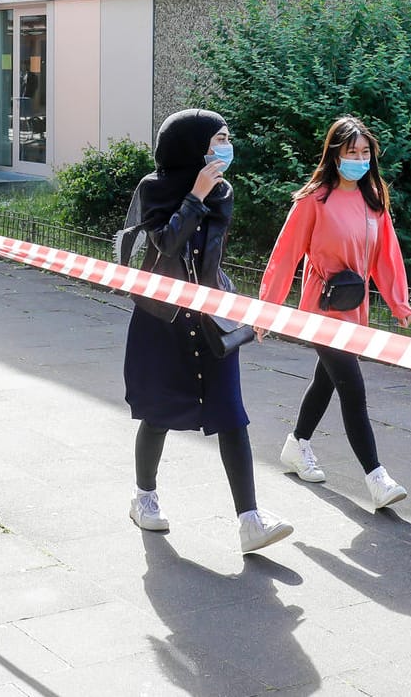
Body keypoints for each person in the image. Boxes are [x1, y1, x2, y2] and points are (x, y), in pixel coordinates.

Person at [116, 108, 293, 553]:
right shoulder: (154, 188)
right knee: (158, 414)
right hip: (163, 320)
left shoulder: (224, 191)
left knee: (231, 414)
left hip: (210, 316)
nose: (225, 147)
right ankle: (145, 498)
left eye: (226, 138)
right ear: (192, 146)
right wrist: (194, 196)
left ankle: (251, 520)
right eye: (218, 139)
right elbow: (170, 245)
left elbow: (210, 263)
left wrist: (239, 309)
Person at [257, 115, 411, 510]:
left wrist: (398, 301)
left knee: (326, 381)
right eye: (352, 153)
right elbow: (285, 256)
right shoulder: (314, 199)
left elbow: (387, 254)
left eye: (365, 153)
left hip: (354, 307)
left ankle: (297, 444)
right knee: (352, 389)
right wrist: (267, 311)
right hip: (322, 309)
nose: (359, 160)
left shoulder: (373, 197)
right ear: (334, 154)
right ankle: (376, 477)